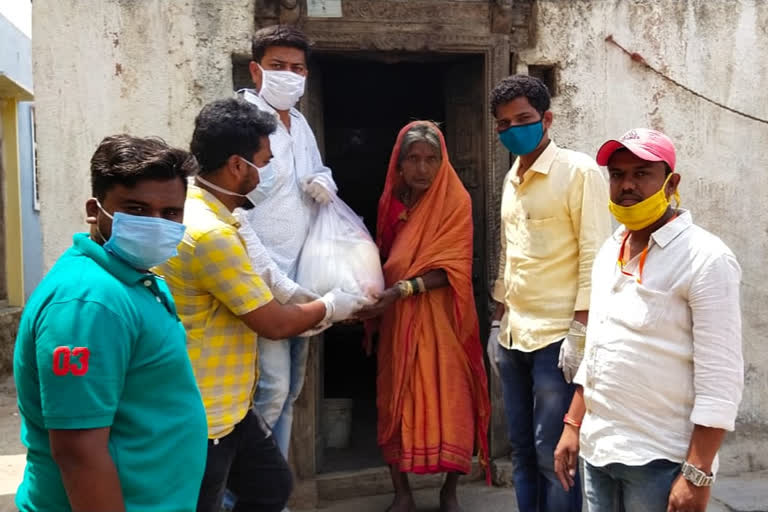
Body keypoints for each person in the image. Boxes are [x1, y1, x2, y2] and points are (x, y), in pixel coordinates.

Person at [153, 98, 365, 512]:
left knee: (270, 485)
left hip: (230, 405)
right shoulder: (210, 233)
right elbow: (273, 323)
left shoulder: (221, 215)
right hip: (205, 412)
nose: (269, 172)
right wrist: (332, 306)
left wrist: (322, 300)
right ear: (237, 166)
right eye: (265, 162)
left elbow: (270, 276)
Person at [13, 135, 208, 511]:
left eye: (171, 213)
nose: (156, 224)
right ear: (95, 208)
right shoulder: (91, 301)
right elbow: (77, 452)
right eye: (135, 209)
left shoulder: (128, 279)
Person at [554, 128, 744, 512]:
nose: (627, 185)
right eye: (618, 175)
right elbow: (597, 350)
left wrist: (697, 472)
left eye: (642, 174)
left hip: (659, 460)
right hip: (599, 449)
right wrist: (573, 425)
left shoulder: (706, 258)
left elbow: (720, 378)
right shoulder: (611, 250)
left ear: (671, 183)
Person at [486, 74, 611, 512]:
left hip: (558, 338)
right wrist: (498, 320)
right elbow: (509, 254)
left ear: (547, 119)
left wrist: (581, 330)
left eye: (523, 119)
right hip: (514, 335)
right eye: (503, 124)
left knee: (552, 452)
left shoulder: (579, 172)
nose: (512, 130)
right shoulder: (511, 179)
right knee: (520, 448)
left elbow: (596, 253)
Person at [358, 121, 490, 512]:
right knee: (394, 396)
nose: (422, 168)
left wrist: (403, 289)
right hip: (397, 319)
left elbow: (454, 267)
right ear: (399, 165)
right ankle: (402, 493)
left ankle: (449, 492)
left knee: (452, 396)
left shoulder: (456, 201)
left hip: (443, 316)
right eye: (412, 159)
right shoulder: (391, 204)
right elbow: (382, 257)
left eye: (431, 159)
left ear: (442, 161)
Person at [238, 24, 337, 460]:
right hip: (262, 282)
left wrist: (323, 180)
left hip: (302, 281)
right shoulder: (239, 121)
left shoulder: (298, 122)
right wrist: (275, 282)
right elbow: (232, 208)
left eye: (297, 68)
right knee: (271, 389)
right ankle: (246, 495)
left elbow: (315, 172)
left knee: (292, 389)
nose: (289, 75)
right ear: (256, 71)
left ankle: (273, 492)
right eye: (278, 66)